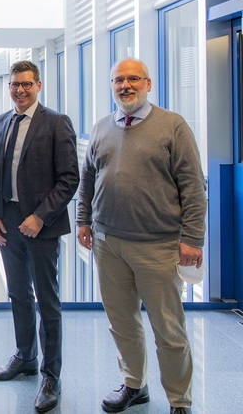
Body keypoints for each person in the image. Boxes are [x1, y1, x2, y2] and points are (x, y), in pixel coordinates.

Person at [77, 58, 205, 414]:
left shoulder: (173, 126)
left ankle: (180, 401)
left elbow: (193, 187)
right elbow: (88, 179)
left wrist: (193, 238)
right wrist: (83, 220)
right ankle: (134, 385)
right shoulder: (102, 127)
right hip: (107, 244)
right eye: (118, 80)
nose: (125, 85)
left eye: (133, 79)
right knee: (122, 322)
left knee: (168, 329)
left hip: (159, 246)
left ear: (148, 84)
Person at [0, 60, 79, 413]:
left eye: (26, 84)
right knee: (18, 294)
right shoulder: (0, 122)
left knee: (48, 301)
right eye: (14, 85)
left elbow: (70, 178)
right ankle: (25, 356)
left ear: (38, 85)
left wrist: (40, 217)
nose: (19, 90)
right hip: (7, 224)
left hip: (42, 226)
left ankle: (50, 376)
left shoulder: (56, 122)